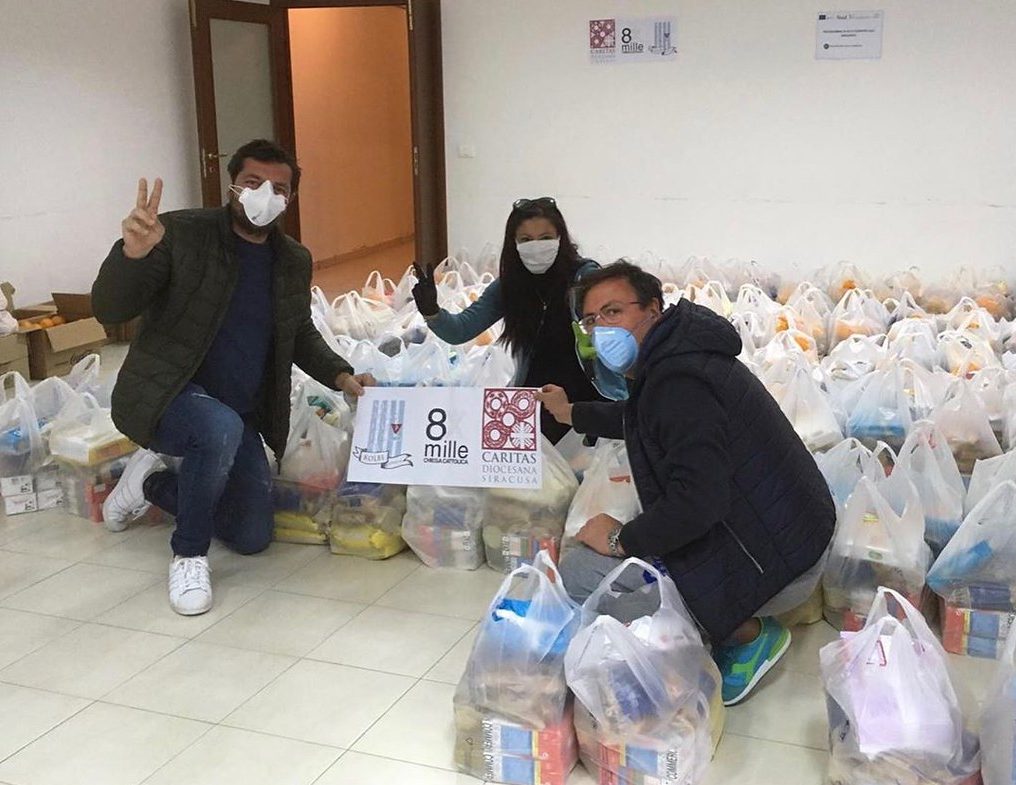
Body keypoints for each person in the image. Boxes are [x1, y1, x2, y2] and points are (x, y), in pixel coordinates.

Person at [92, 139, 374, 617]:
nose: (265, 194)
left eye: (279, 188)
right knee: (215, 427)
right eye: (253, 182)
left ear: (291, 199)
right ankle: (188, 554)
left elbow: (298, 330)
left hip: (236, 410)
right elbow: (110, 308)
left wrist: (341, 374)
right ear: (232, 186)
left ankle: (150, 485)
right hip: (168, 394)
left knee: (251, 536)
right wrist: (132, 255)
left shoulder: (291, 259)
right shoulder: (181, 233)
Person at [538, 260, 835, 706]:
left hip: (774, 558)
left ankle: (747, 634)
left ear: (653, 308)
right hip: (785, 532)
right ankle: (710, 617)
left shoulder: (679, 382)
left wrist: (620, 538)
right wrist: (572, 413)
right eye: (591, 320)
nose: (601, 329)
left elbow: (699, 502)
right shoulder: (679, 359)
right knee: (634, 540)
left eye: (614, 312)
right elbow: (646, 420)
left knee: (583, 573)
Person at [410, 197, 626, 443]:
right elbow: (461, 330)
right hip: (535, 399)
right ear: (514, 244)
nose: (536, 246)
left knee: (591, 474)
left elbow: (618, 328)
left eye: (545, 238)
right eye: (526, 240)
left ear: (560, 239)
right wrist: (432, 311)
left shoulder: (585, 280)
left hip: (591, 395)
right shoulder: (508, 287)